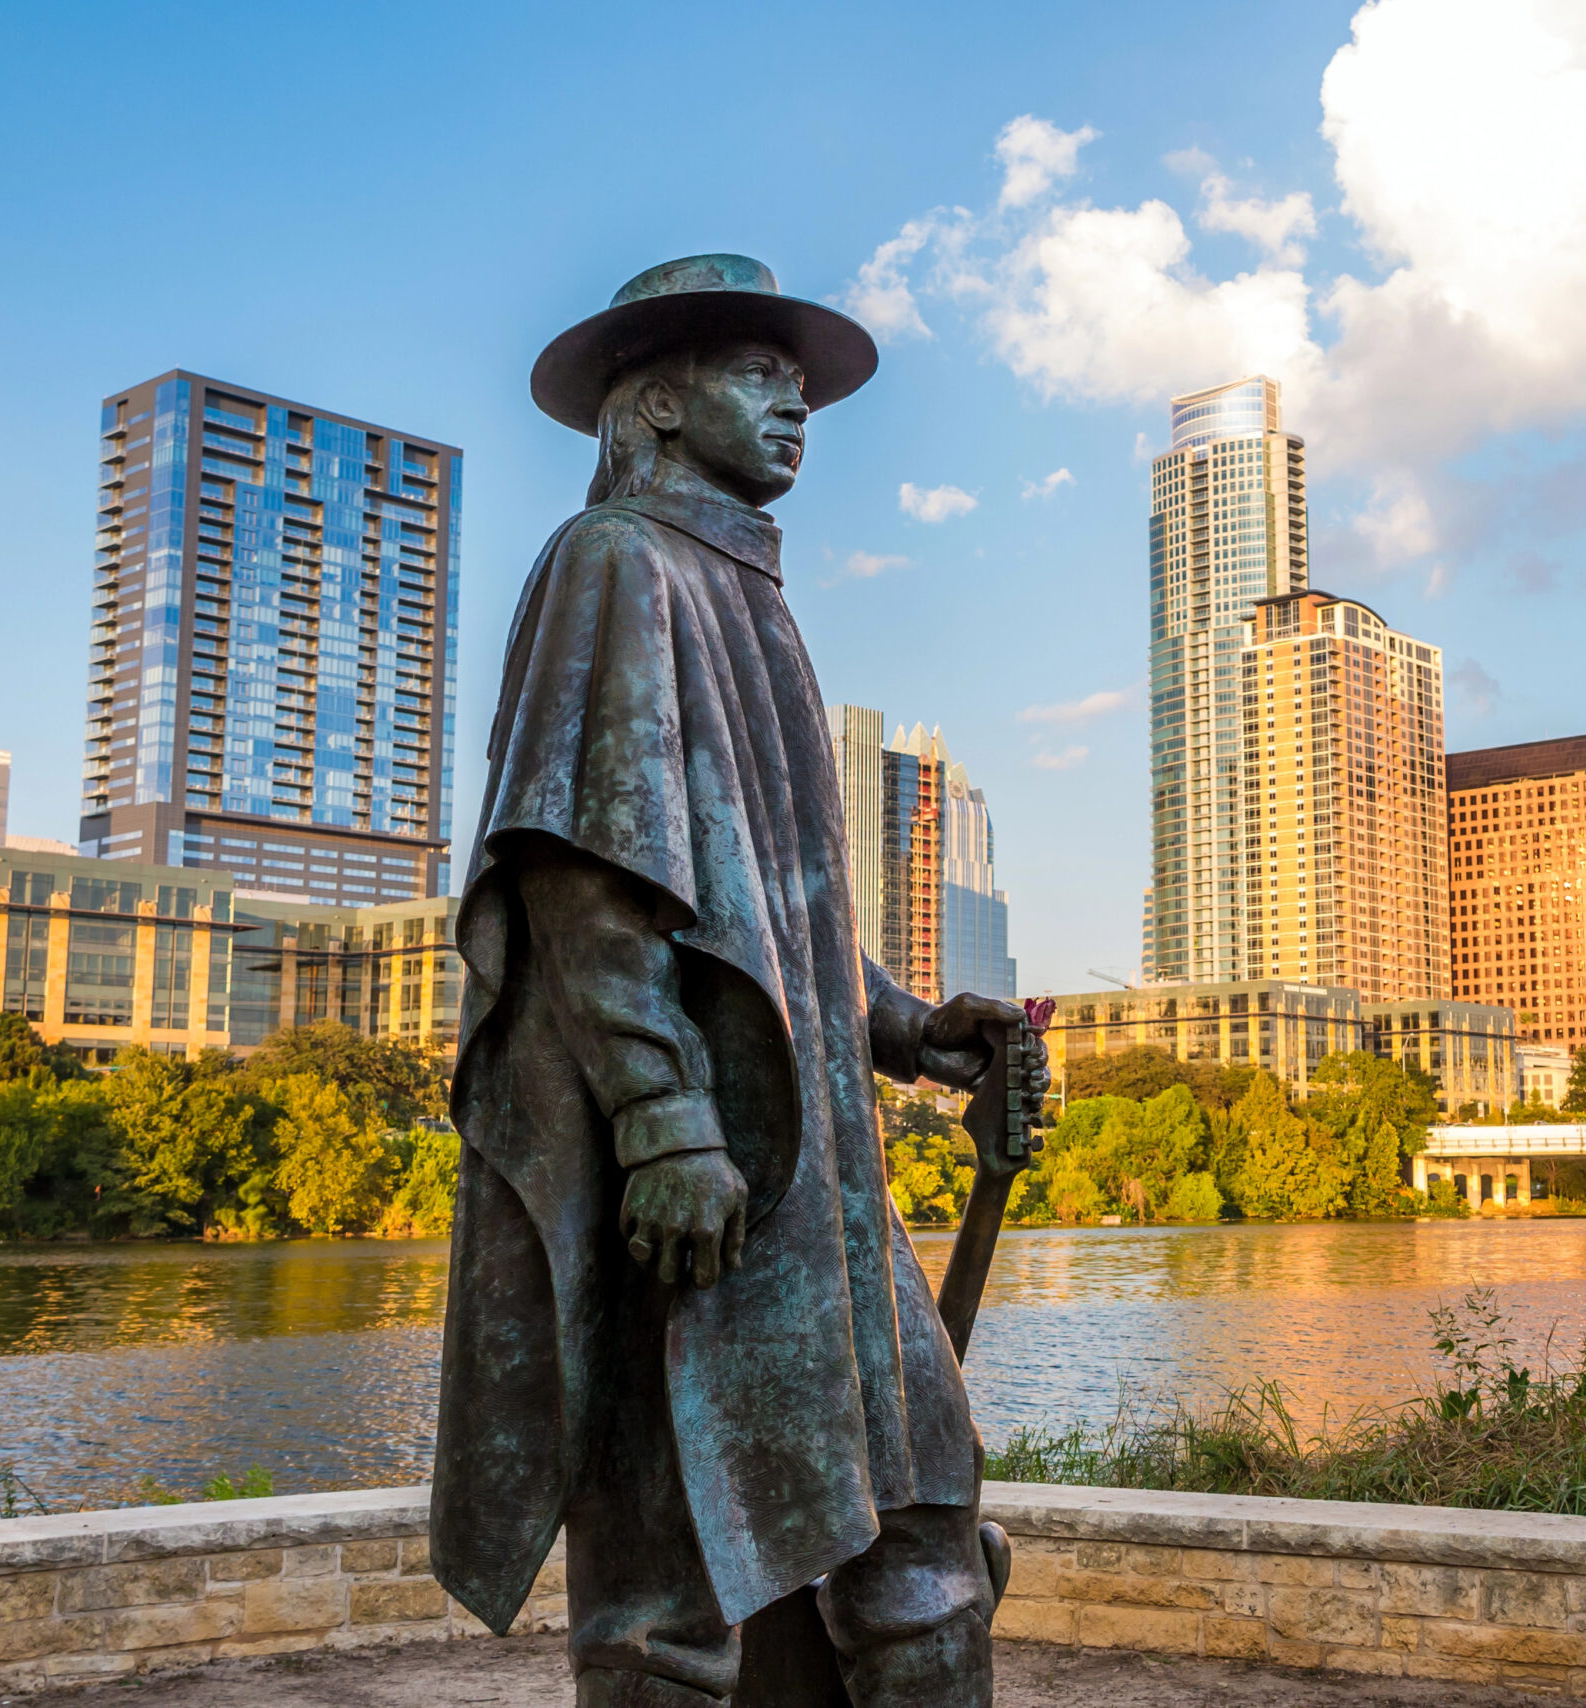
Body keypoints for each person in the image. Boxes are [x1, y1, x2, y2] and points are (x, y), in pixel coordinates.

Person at [431, 254, 1035, 1707]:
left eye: (802, 378)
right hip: (709, 1177)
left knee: (925, 1537)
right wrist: (661, 1120)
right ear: (650, 402)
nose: (797, 399)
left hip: (825, 1190)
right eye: (758, 370)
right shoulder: (617, 563)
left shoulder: (748, 595)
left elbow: (781, 908)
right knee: (670, 1579)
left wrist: (907, 1025)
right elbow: (582, 872)